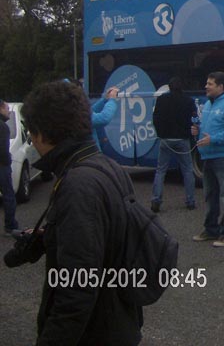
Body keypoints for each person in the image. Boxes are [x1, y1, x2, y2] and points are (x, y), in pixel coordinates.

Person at [20, 80, 143, 345]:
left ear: (42, 133)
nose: (32, 141)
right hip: (120, 318)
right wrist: (50, 235)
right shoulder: (105, 165)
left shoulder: (77, 184)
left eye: (31, 133)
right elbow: (102, 233)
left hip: (97, 331)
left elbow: (77, 288)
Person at [191, 72, 224, 247]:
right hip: (208, 156)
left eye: (210, 84)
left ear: (220, 87)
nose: (206, 86)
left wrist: (213, 139)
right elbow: (207, 127)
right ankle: (210, 229)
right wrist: (197, 131)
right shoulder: (207, 104)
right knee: (209, 195)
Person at [150, 77, 197, 213]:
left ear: (169, 87)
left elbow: (156, 118)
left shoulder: (162, 99)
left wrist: (160, 133)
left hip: (166, 139)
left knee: (160, 170)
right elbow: (194, 118)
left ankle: (156, 201)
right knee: (187, 170)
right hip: (182, 139)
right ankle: (190, 201)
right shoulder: (188, 100)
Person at [0, 99, 19, 236]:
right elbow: (3, 151)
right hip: (2, 167)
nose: (8, 112)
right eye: (6, 109)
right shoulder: (3, 127)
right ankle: (10, 226)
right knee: (8, 196)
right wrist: (8, 160)